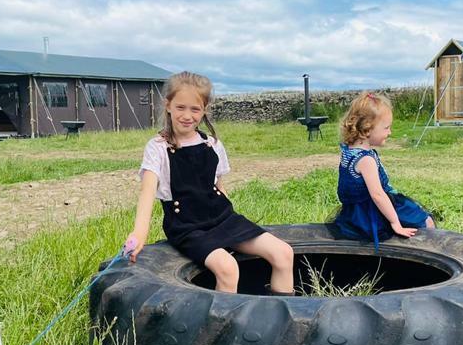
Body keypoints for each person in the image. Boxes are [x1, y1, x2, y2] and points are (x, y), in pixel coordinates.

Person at [126, 71, 295, 294]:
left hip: (222, 218)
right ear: (168, 105)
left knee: (284, 253)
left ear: (205, 109)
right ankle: (224, 327)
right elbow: (147, 193)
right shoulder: (158, 147)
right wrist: (139, 234)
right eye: (180, 107)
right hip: (187, 227)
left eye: (195, 109)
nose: (187, 115)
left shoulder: (212, 144)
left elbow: (218, 186)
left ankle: (280, 318)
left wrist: (232, 224)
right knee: (228, 268)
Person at [331, 91, 435, 248]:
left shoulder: (349, 151)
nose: (390, 132)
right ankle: (430, 250)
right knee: (425, 221)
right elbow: (378, 195)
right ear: (367, 130)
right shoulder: (366, 160)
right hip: (370, 212)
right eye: (386, 128)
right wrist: (395, 223)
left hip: (354, 211)